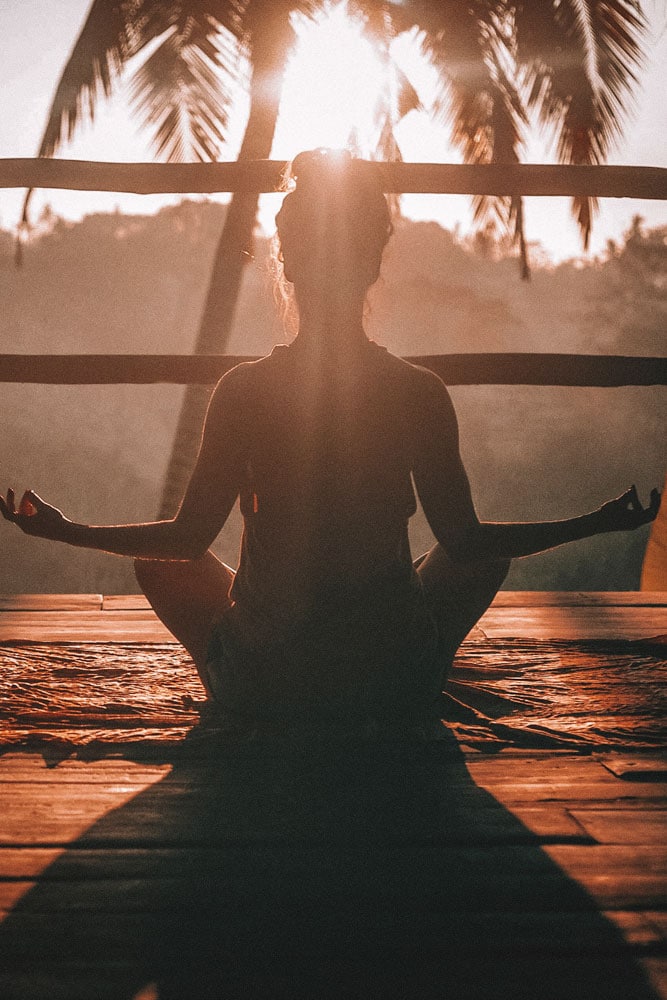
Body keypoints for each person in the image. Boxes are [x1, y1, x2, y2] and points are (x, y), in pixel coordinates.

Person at [1, 149, 661, 732]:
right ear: (373, 262)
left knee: (160, 563)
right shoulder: (416, 390)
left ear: (286, 263)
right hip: (391, 680)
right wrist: (595, 521)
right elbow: (467, 543)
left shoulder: (244, 390)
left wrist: (67, 530)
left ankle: (252, 673)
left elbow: (184, 541)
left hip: (266, 686)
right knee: (480, 555)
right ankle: (408, 667)